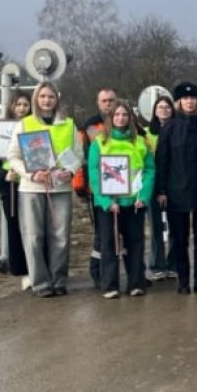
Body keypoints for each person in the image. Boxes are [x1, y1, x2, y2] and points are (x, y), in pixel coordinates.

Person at [7, 81, 83, 298]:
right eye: (42, 97)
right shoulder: (25, 124)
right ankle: (40, 283)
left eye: (50, 96)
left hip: (60, 188)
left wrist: (70, 171)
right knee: (33, 237)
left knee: (61, 236)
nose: (46, 100)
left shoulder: (68, 124)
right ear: (36, 99)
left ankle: (58, 280)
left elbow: (78, 154)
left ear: (56, 99)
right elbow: (13, 156)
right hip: (32, 188)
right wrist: (31, 174)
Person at [154, 81, 197, 294]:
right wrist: (162, 190)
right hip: (177, 193)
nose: (189, 101)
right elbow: (162, 162)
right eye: (185, 98)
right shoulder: (169, 129)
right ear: (178, 102)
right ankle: (183, 281)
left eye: (193, 98)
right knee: (180, 240)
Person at [88, 99, 154, 298]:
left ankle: (136, 283)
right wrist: (106, 202)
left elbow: (149, 170)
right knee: (109, 245)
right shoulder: (99, 142)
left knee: (135, 243)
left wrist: (143, 196)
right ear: (111, 117)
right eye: (117, 114)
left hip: (134, 202)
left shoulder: (141, 142)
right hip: (110, 204)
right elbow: (93, 173)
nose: (121, 118)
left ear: (130, 117)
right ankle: (110, 285)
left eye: (125, 114)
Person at [0, 91, 31, 289]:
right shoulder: (0, 134)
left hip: (35, 186)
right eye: (18, 104)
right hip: (12, 189)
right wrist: (3, 178)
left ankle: (43, 268)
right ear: (12, 107)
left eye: (25, 105)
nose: (21, 108)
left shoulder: (36, 128)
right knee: (17, 230)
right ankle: (23, 271)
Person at [76, 88, 118, 288]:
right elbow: (81, 157)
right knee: (102, 234)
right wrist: (81, 186)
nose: (108, 104)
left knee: (123, 233)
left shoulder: (127, 121)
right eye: (104, 101)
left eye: (111, 100)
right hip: (98, 189)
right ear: (98, 102)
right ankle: (97, 272)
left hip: (123, 188)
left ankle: (119, 274)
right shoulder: (89, 127)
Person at [145, 96, 175, 280]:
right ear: (154, 111)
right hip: (153, 183)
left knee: (175, 227)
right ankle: (157, 264)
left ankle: (174, 264)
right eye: (160, 107)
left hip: (174, 183)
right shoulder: (146, 133)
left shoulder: (178, 130)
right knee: (155, 226)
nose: (164, 110)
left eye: (167, 107)